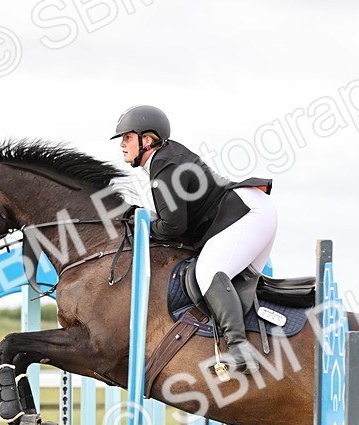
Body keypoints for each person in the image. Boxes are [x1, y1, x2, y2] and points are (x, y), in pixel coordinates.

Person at [112, 105, 276, 375]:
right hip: (253, 211)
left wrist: (140, 226)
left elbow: (173, 227)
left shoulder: (164, 166)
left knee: (209, 272)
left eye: (127, 137)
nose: (122, 144)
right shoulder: (168, 157)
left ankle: (239, 350)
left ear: (148, 140)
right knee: (236, 284)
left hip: (248, 214)